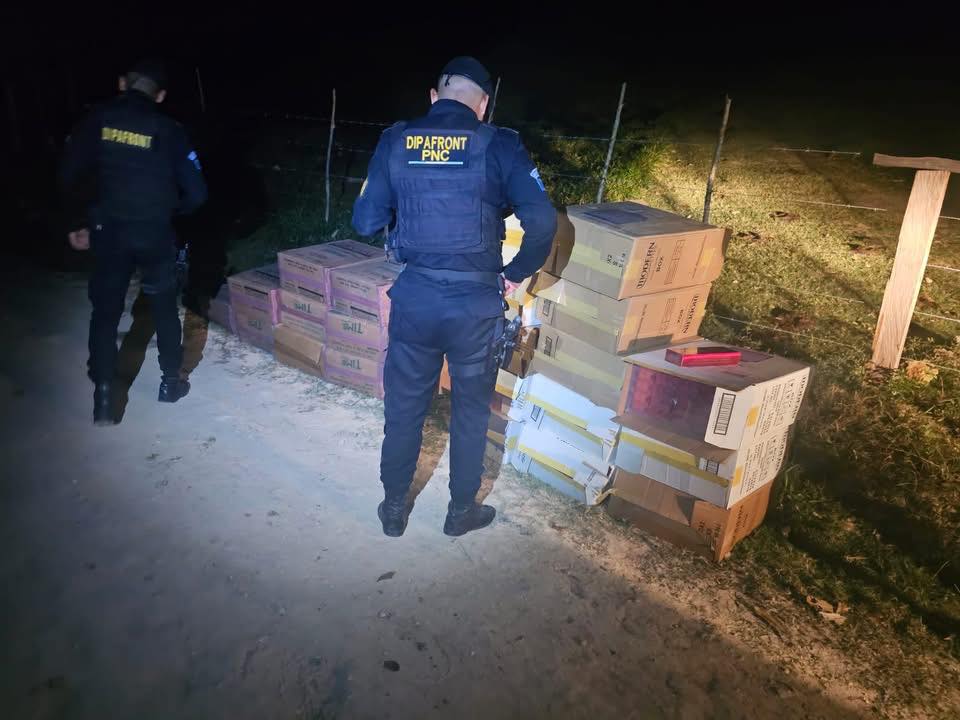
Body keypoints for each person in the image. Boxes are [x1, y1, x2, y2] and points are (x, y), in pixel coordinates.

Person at [352, 56, 557, 537]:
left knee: (405, 408)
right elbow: (543, 221)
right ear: (484, 104)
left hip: (416, 299)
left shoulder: (396, 140)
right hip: (475, 306)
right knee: (470, 411)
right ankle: (460, 511)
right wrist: (515, 273)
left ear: (434, 96)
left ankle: (394, 509)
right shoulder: (500, 144)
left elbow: (365, 220)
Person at [59, 59, 208, 425]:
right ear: (160, 95)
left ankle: (103, 398)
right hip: (154, 231)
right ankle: (170, 383)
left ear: (122, 84)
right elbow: (197, 192)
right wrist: (172, 212)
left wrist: (78, 221)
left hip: (108, 231)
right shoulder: (170, 130)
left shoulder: (97, 119)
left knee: (106, 311)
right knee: (163, 307)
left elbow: (69, 174)